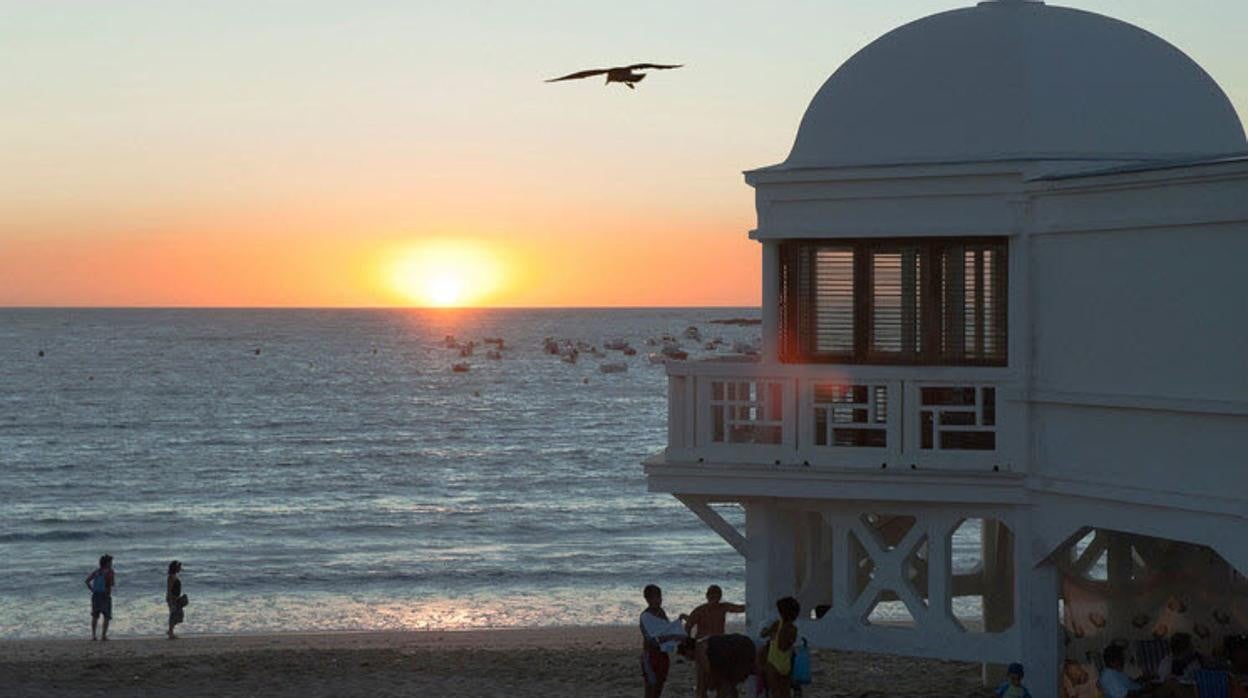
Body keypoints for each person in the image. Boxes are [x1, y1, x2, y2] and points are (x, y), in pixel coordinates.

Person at [640, 584, 687, 698]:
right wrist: (673, 637)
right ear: (647, 599)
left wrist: (678, 622)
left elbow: (666, 629)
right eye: (655, 598)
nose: (659, 600)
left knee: (659, 686)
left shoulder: (661, 612)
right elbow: (653, 640)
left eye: (659, 597)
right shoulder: (645, 616)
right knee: (651, 688)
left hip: (662, 654)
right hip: (650, 656)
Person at [680, 633, 756, 698]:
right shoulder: (703, 642)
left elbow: (710, 677)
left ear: (688, 651)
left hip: (736, 651)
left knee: (724, 683)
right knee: (730, 683)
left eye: (686, 655)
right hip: (746, 644)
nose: (688, 659)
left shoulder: (701, 652)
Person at [760, 596, 800, 698]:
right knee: (785, 692)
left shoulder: (777, 624)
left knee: (775, 691)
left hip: (773, 662)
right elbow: (786, 647)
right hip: (786, 663)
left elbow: (763, 634)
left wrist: (767, 631)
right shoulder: (793, 629)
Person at [84, 554, 115, 641]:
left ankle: (93, 636)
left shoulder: (96, 571)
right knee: (106, 616)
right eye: (110, 562)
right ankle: (103, 636)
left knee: (95, 615)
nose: (111, 563)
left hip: (96, 595)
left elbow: (87, 581)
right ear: (107, 563)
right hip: (105, 595)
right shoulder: (110, 572)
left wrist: (93, 590)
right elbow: (111, 584)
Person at [166, 560, 184, 639]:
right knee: (173, 615)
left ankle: (170, 631)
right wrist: (171, 598)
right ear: (175, 568)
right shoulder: (171, 577)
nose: (180, 568)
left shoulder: (174, 576)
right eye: (179, 567)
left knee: (178, 615)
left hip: (176, 598)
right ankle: (170, 632)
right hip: (173, 598)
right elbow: (169, 589)